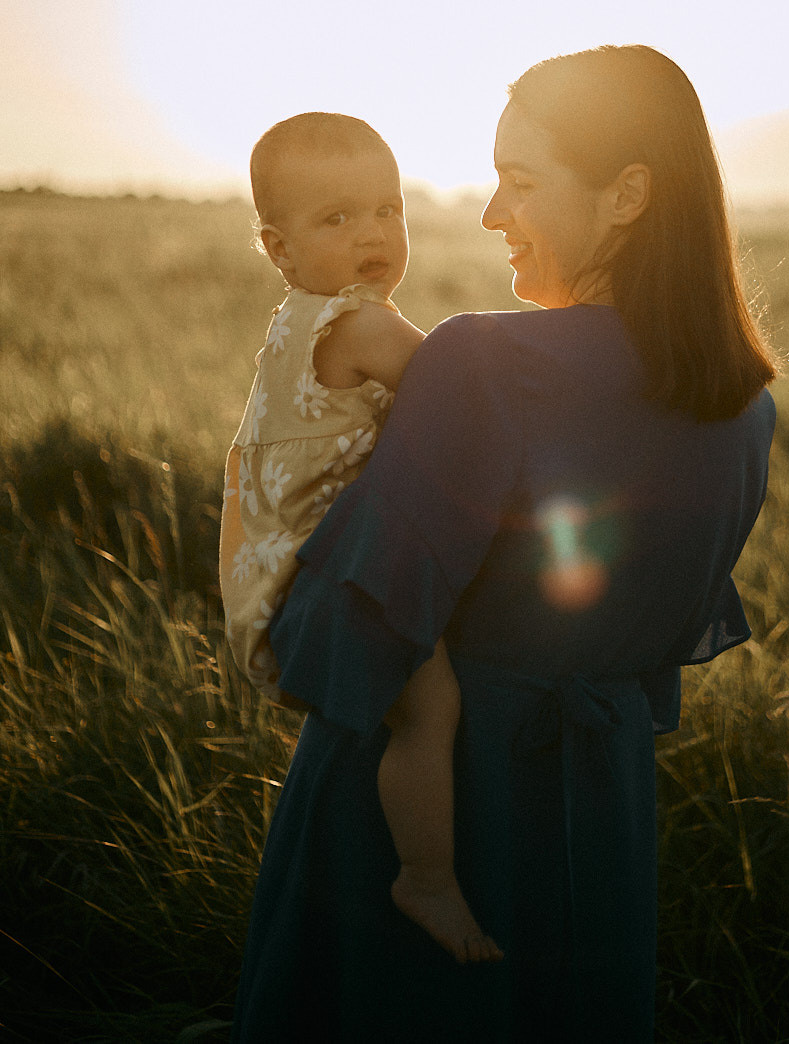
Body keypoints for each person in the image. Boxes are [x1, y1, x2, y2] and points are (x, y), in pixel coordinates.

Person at [230, 47, 777, 1043]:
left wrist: (267, 546)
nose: (489, 214)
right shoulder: (744, 406)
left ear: (627, 196)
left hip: (420, 833)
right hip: (598, 825)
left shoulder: (482, 365)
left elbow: (340, 630)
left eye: (519, 182)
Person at [220, 111, 500, 964]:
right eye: (337, 219)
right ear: (280, 247)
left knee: (404, 710)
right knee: (431, 707)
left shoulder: (295, 320)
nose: (373, 233)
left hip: (279, 567)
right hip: (332, 573)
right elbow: (466, 398)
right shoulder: (363, 326)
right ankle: (426, 877)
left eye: (388, 208)